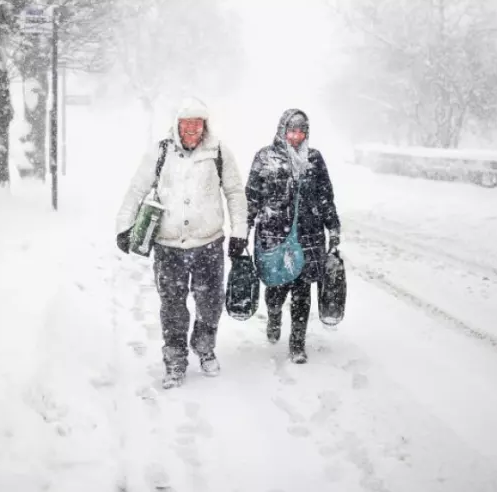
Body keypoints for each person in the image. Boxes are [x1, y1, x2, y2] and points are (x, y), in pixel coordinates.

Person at [116, 98, 248, 389]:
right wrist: (124, 227)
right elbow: (136, 189)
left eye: (197, 124)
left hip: (209, 245)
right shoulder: (161, 152)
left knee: (211, 303)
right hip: (169, 247)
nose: (192, 130)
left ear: (205, 126)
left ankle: (204, 346)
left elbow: (235, 194)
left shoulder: (219, 152)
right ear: (178, 125)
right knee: (173, 306)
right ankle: (175, 360)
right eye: (187, 124)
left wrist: (239, 231)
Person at [245, 109, 340, 364]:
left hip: (309, 236)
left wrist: (333, 228)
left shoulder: (314, 159)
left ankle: (297, 343)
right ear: (282, 130)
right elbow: (252, 196)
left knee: (302, 290)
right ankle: (274, 315)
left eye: (301, 131)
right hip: (275, 236)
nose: (296, 136)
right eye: (291, 130)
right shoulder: (265, 157)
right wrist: (242, 231)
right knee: (276, 287)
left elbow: (325, 197)